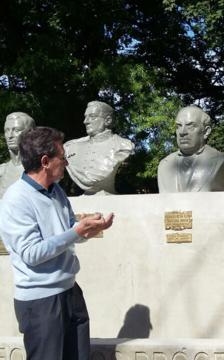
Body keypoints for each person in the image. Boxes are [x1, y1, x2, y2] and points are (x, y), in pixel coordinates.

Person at [0, 126, 115, 359]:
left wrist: (89, 230)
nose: (67, 163)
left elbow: (65, 234)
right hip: (41, 303)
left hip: (70, 292)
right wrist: (76, 232)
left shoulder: (56, 191)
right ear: (45, 161)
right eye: (63, 158)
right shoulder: (15, 199)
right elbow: (32, 253)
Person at [64, 101, 134, 195]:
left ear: (107, 121)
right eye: (85, 117)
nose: (86, 121)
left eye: (92, 117)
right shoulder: (70, 147)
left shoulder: (123, 145)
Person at [157, 105, 224, 192]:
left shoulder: (220, 161)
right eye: (178, 126)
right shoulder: (165, 164)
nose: (182, 132)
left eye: (190, 126)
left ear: (206, 131)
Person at [0, 112, 35, 197]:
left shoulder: (41, 170)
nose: (10, 136)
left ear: (30, 133)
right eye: (7, 131)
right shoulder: (1, 171)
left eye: (16, 130)